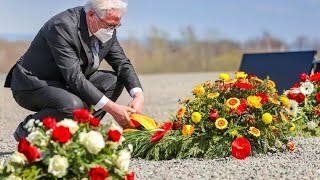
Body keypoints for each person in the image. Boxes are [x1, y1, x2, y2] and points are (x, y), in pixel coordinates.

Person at [4, 0, 144, 141]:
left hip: (66, 82)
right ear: (91, 15)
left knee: (113, 81)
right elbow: (74, 78)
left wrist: (138, 94)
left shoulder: (106, 27)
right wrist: (113, 108)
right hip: (34, 84)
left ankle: (83, 131)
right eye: (110, 25)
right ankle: (28, 128)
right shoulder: (62, 26)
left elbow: (122, 63)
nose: (112, 30)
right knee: (72, 105)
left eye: (117, 25)